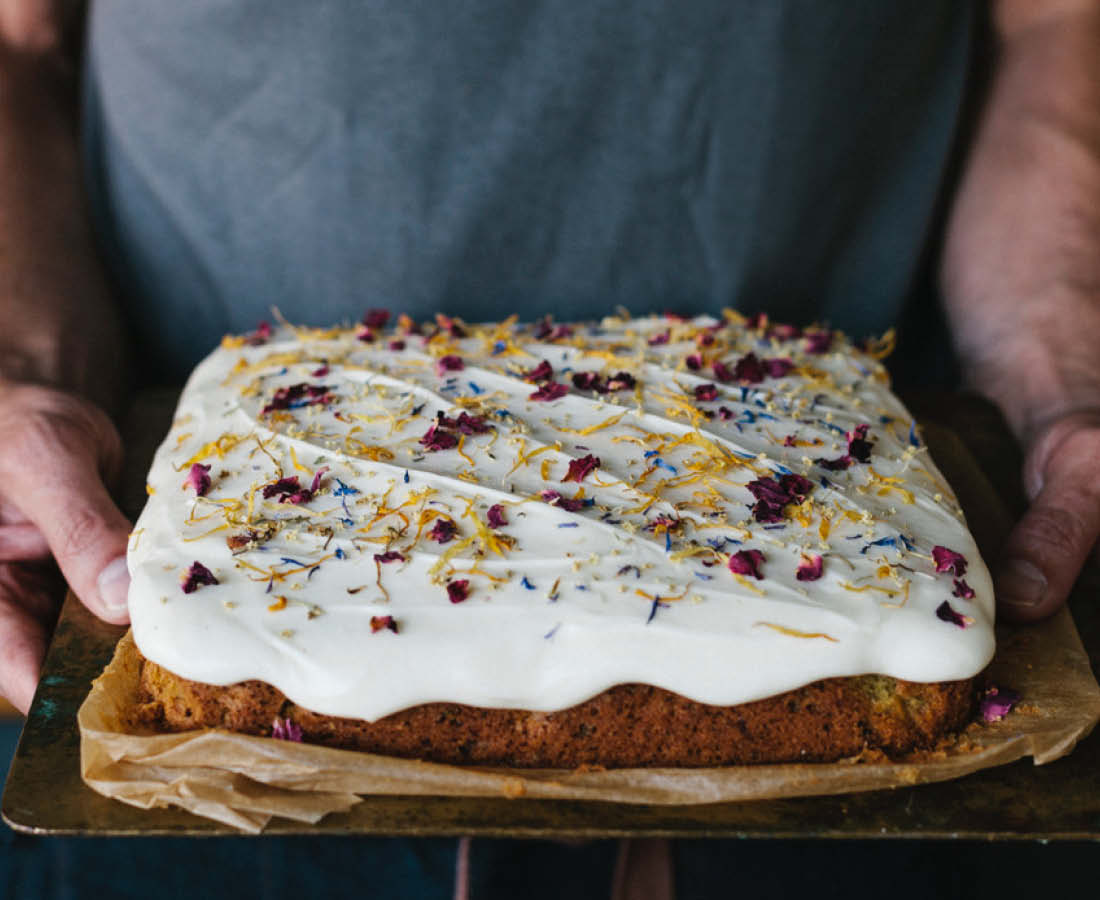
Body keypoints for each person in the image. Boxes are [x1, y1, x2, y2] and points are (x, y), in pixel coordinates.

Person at [0, 1, 1098, 896]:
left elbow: (1052, 22)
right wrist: (22, 367)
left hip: (857, 714)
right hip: (212, 781)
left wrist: (1060, 380)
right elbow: (18, 39)